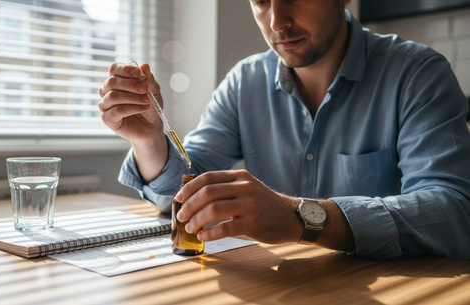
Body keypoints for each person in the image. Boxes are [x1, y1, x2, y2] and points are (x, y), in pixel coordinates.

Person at [98, 0, 470, 258]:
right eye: (261, 1)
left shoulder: (418, 74)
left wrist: (299, 218)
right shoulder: (243, 82)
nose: (277, 21)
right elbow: (181, 194)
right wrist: (148, 140)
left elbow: (453, 214)